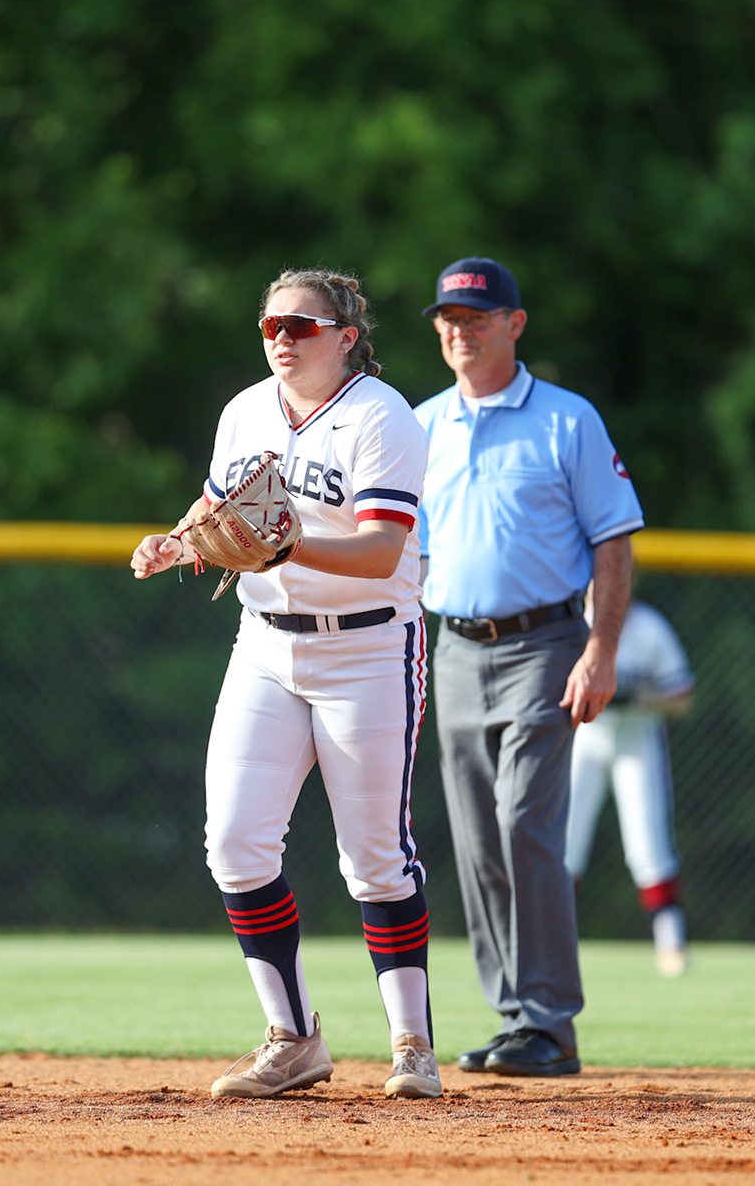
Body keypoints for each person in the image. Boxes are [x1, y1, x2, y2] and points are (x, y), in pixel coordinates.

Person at [131, 268, 439, 1100]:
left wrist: (283, 545)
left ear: (346, 338)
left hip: (368, 650)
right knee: (234, 844)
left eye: (300, 326)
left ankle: (412, 1045)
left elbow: (380, 551)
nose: (281, 339)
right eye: (270, 326)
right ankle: (293, 1039)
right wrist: (177, 542)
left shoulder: (382, 417)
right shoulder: (245, 411)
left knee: (375, 859)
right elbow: (216, 511)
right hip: (265, 645)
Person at [414, 257, 644, 1078]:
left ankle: (549, 1021)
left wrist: (601, 649)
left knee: (522, 823)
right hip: (453, 647)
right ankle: (516, 1018)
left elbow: (613, 541)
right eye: (449, 318)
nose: (460, 331)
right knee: (478, 839)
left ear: (514, 324)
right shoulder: (421, 424)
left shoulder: (566, 420)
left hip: (545, 646)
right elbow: (404, 551)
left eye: (477, 317)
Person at [566, 598, 695, 977]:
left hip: (636, 739)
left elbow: (683, 697)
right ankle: (553, 945)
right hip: (584, 737)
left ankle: (671, 945)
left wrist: (641, 697)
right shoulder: (573, 620)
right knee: (564, 847)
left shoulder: (649, 627)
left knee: (649, 846)